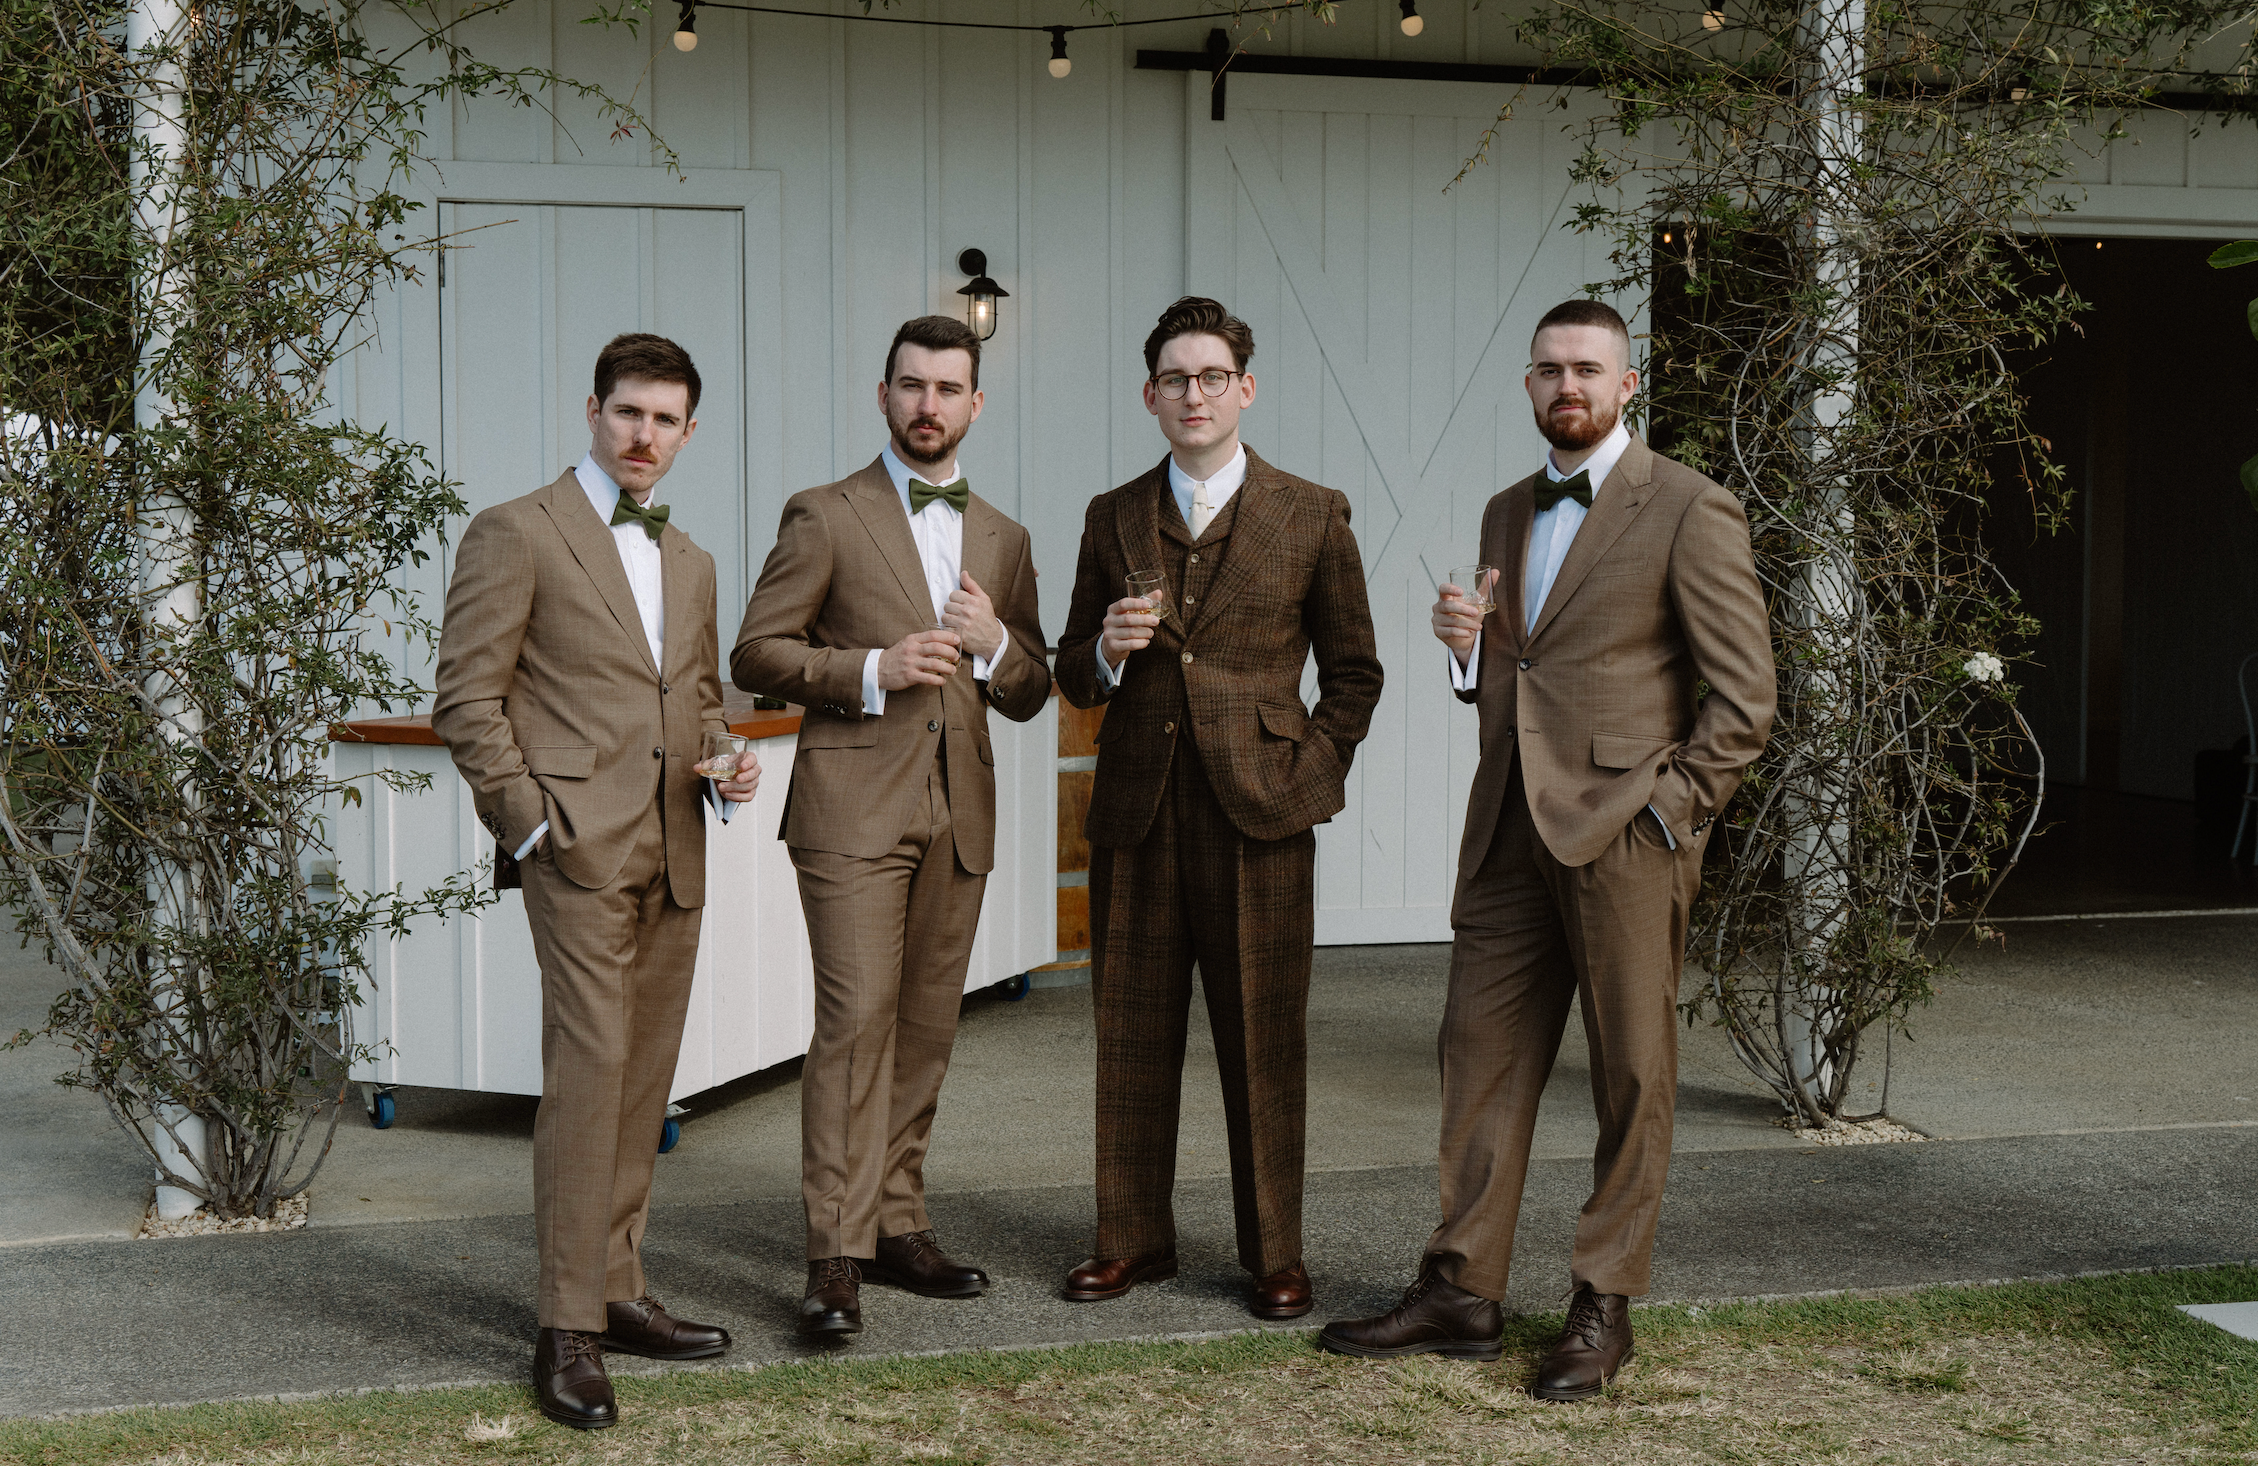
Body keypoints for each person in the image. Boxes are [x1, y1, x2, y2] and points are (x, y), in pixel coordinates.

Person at [1318, 299, 1775, 1398]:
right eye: (1547, 370)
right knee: (1476, 1057)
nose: (1564, 385)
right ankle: (1461, 1288)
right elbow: (1515, 676)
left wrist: (1672, 810)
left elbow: (1744, 692)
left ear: (1626, 386)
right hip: (1508, 828)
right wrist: (1465, 655)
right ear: (1526, 385)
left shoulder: (1687, 506)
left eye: (1586, 369)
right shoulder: (1500, 512)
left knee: (1629, 1070)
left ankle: (1600, 1299)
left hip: (1627, 830)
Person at [433, 333, 760, 1430]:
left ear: (687, 431)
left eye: (665, 419)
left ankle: (619, 1288)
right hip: (573, 850)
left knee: (639, 1080)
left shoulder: (694, 559)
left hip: (676, 844)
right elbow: (466, 701)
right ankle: (565, 1322)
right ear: (592, 410)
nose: (643, 436)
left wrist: (729, 754)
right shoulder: (516, 532)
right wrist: (531, 828)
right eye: (628, 413)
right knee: (589, 1072)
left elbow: (696, 696)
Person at [1053, 296, 1384, 1321]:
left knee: (1262, 1043)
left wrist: (1306, 774)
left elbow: (1355, 672)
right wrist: (1104, 650)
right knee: (1131, 1037)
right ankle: (1130, 1238)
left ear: (1243, 388)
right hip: (1138, 813)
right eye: (1172, 379)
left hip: (1261, 815)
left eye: (1210, 376)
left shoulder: (1309, 509)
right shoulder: (1109, 514)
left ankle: (1274, 1251)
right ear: (1147, 395)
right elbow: (1069, 666)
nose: (1190, 394)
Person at [731, 315, 1049, 1344]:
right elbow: (756, 651)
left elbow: (1031, 688)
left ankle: (896, 1219)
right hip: (851, 809)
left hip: (958, 814)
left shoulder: (1002, 535)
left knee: (925, 1028)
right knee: (855, 1022)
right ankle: (832, 1251)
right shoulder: (823, 513)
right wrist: (871, 669)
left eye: (947, 388)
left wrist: (996, 640)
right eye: (910, 386)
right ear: (883, 395)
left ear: (974, 404)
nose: (927, 405)